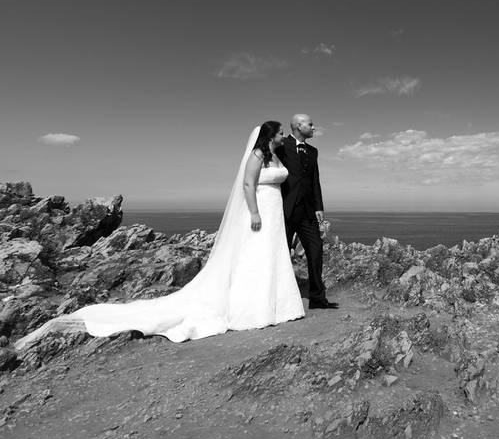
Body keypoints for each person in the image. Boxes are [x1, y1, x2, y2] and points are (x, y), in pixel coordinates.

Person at [14, 122, 305, 350]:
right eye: (280, 132)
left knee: (270, 255)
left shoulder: (275, 156)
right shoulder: (255, 155)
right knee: (255, 257)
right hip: (260, 209)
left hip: (275, 210)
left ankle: (277, 304)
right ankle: (254, 308)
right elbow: (246, 184)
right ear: (270, 134)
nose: (283, 136)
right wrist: (254, 213)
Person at [275, 113, 338, 309]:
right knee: (281, 253)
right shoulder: (281, 145)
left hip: (308, 211)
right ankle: (278, 298)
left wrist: (319, 207)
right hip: (284, 210)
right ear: (298, 126)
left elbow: (314, 181)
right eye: (310, 124)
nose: (313, 127)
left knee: (316, 250)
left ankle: (317, 299)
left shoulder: (313, 151)